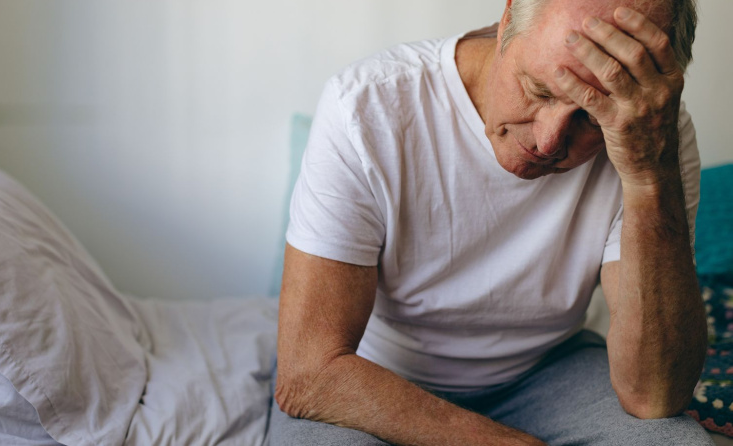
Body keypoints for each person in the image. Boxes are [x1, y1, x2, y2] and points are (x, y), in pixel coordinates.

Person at [270, 0, 714, 444]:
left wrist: (648, 176)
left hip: (547, 371)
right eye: (539, 90)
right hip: (374, 375)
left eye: (592, 120)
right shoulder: (367, 104)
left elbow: (654, 395)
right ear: (504, 26)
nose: (548, 141)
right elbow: (309, 372)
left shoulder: (651, 141)